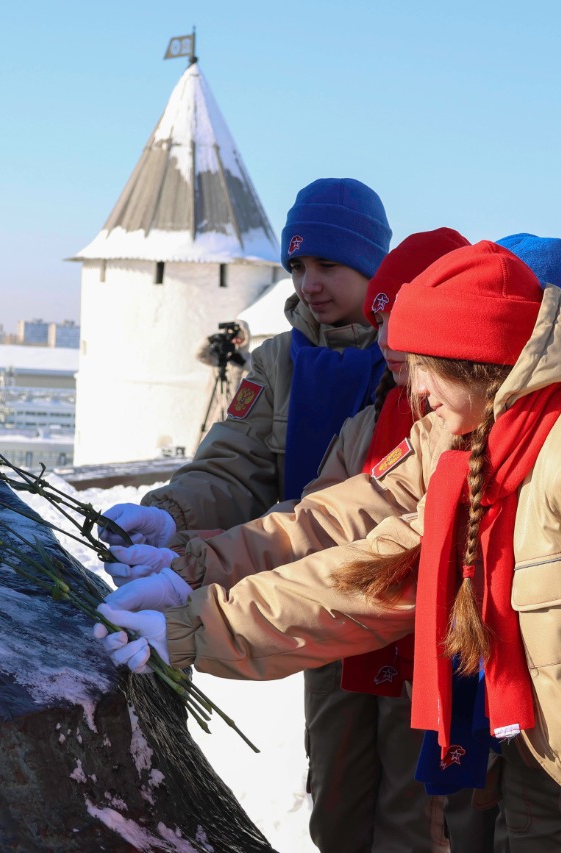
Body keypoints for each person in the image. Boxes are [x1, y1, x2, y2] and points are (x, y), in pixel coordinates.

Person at [98, 241, 561, 853]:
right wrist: (197, 614)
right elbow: (362, 576)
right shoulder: (485, 467)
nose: (413, 393)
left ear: (472, 362)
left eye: (422, 367)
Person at [102, 180, 464, 853]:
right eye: (298, 267)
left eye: (328, 265)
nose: (311, 283)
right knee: (337, 800)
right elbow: (243, 472)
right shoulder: (282, 361)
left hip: (418, 624)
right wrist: (171, 517)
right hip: (311, 600)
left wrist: (198, 605)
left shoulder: (416, 368)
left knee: (417, 813)